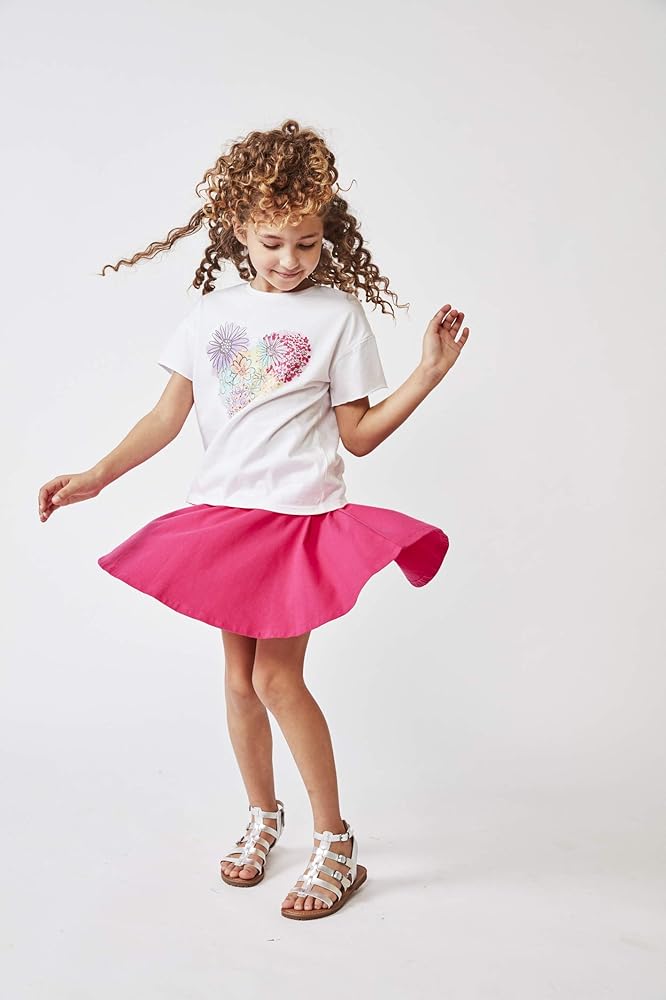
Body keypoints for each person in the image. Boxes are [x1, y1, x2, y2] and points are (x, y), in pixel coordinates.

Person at [37, 118, 469, 921]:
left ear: (326, 231)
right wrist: (96, 475)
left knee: (277, 677)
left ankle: (335, 842)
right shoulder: (210, 317)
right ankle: (263, 815)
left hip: (297, 523)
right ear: (238, 227)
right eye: (273, 242)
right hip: (226, 518)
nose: (290, 260)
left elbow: (358, 436)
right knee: (238, 681)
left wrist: (426, 375)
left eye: (307, 243)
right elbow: (166, 418)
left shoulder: (337, 317)